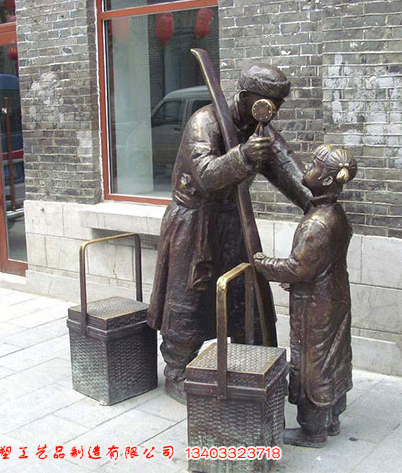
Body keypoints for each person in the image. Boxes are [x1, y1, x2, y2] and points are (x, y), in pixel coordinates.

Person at [147, 64, 313, 403]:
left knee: (244, 293)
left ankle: (251, 363)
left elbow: (289, 172)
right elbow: (206, 175)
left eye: (278, 104)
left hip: (233, 222)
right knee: (188, 299)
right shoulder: (204, 122)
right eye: (268, 102)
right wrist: (242, 155)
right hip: (194, 222)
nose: (273, 110)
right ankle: (177, 369)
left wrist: (319, 201)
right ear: (248, 97)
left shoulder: (260, 130)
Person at [254, 144, 358, 447]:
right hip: (334, 294)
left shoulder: (318, 223)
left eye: (313, 164)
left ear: (325, 180)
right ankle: (331, 419)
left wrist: (262, 263)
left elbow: (297, 268)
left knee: (313, 361)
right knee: (333, 355)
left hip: (316, 305)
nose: (307, 168)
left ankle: (312, 430)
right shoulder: (333, 212)